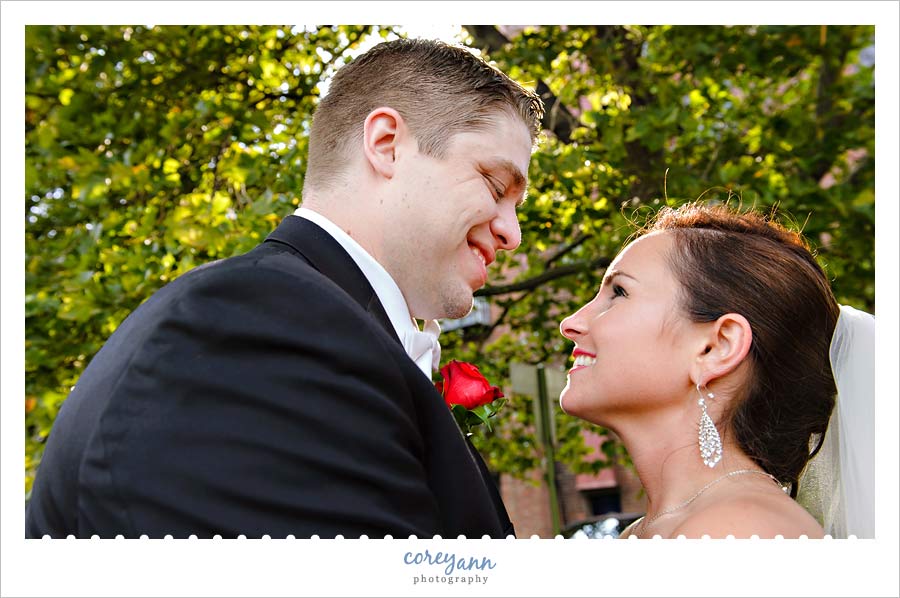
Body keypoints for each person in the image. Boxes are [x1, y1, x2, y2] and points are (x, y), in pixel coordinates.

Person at [26, 38, 544, 539]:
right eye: (496, 187)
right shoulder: (261, 324)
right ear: (387, 145)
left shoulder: (308, 322)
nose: (512, 234)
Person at [558, 202, 874, 539]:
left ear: (716, 348)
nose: (571, 323)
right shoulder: (657, 530)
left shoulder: (739, 530)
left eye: (619, 292)